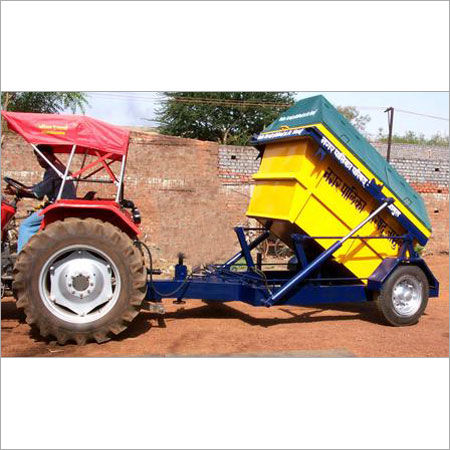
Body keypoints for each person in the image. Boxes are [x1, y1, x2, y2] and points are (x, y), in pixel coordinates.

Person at [11, 145, 77, 252]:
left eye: (39, 157)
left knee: (26, 225)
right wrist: (24, 191)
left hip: (58, 207)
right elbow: (39, 191)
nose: (38, 161)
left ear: (46, 156)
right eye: (37, 157)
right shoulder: (57, 169)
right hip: (60, 204)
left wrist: (18, 191)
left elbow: (38, 192)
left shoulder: (53, 171)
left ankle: (22, 255)